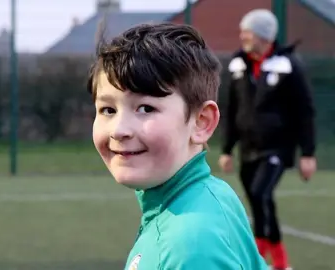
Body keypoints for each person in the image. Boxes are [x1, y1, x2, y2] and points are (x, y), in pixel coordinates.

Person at [87, 22, 268, 270]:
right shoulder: (213, 192)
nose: (119, 130)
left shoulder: (187, 247)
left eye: (145, 108)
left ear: (201, 122)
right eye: (108, 109)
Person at [219, 9, 317, 270]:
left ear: (263, 35)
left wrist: (308, 153)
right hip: (248, 149)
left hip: (277, 148)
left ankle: (260, 256)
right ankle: (280, 262)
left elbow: (305, 111)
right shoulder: (238, 64)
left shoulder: (288, 64)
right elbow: (231, 109)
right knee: (258, 199)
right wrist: (227, 149)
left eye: (247, 32)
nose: (242, 36)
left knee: (261, 194)